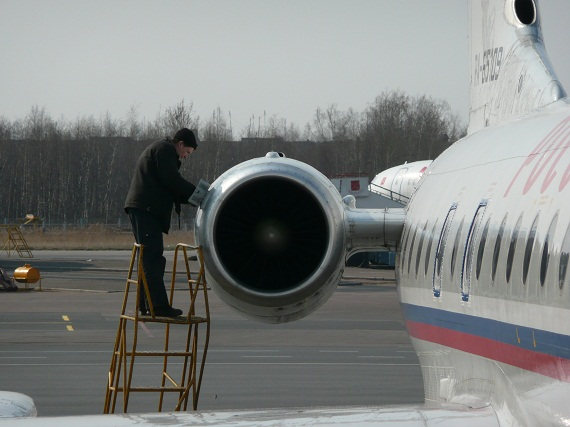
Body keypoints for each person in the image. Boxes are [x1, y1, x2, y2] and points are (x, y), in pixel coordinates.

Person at [124, 128, 198, 317]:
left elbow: (169, 187)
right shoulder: (165, 150)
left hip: (143, 209)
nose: (186, 156)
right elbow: (172, 180)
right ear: (180, 144)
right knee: (153, 258)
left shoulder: (161, 150)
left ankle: (145, 303)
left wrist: (192, 198)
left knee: (148, 258)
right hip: (146, 210)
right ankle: (158, 306)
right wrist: (198, 194)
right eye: (187, 152)